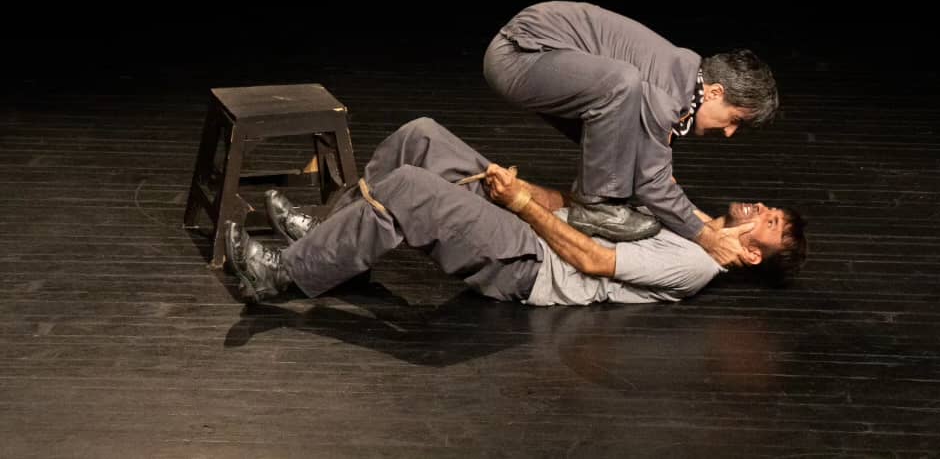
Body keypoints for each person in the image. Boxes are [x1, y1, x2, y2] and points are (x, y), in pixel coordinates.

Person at [225, 118, 806, 306]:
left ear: (753, 254)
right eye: (773, 209)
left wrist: (521, 205)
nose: (763, 208)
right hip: (533, 227)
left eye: (771, 222)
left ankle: (283, 275)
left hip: (532, 263)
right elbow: (588, 211)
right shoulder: (691, 223)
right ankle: (329, 241)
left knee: (410, 189)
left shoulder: (696, 264)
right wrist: (525, 190)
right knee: (421, 138)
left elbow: (594, 260)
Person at [482, 1, 780, 266]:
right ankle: (595, 206)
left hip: (534, 53)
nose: (729, 132)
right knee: (622, 84)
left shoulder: (686, 74)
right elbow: (653, 185)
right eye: (735, 120)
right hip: (517, 57)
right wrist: (706, 237)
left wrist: (655, 179)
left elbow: (646, 168)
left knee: (634, 144)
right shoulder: (667, 94)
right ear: (715, 92)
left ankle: (597, 201)